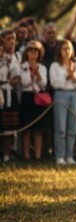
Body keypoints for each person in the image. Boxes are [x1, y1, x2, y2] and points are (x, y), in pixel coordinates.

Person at [50, 40, 76, 165]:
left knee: (72, 128)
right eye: (64, 48)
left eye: (69, 48)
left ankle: (69, 155)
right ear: (60, 50)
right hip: (60, 94)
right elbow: (54, 82)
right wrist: (67, 76)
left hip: (74, 94)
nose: (67, 51)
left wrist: (73, 76)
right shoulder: (55, 65)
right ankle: (60, 156)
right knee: (61, 127)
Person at [18, 41, 49, 162]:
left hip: (38, 98)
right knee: (26, 128)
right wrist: (31, 74)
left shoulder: (42, 67)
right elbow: (24, 83)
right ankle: (26, 156)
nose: (33, 53)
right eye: (31, 50)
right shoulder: (23, 67)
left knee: (38, 128)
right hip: (27, 97)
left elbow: (44, 84)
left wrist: (38, 74)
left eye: (36, 51)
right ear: (27, 52)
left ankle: (37, 156)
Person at [1, 30, 22, 163]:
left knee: (9, 125)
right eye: (8, 38)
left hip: (11, 94)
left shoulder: (18, 56)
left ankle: (7, 154)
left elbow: (18, 75)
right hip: (1, 91)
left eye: (13, 38)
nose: (12, 41)